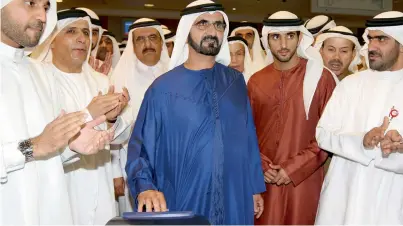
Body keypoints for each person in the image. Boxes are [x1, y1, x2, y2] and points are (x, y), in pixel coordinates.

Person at [125, 0, 265, 224]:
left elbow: (248, 137)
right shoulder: (163, 89)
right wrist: (145, 187)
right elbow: (141, 147)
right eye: (202, 24)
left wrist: (254, 187)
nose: (212, 31)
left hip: (234, 195)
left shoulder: (235, 81)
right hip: (186, 195)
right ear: (186, 30)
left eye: (219, 25)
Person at [1, 1, 111, 224]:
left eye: (45, 7)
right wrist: (31, 147)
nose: (42, 16)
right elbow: (36, 148)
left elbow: (46, 156)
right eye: (31, 3)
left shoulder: (40, 73)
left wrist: (70, 147)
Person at [30, 9, 131, 225]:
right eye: (71, 31)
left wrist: (113, 119)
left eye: (86, 33)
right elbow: (39, 141)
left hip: (101, 186)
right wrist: (89, 113)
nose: (81, 39)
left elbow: (121, 140)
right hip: (63, 186)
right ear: (52, 41)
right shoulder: (38, 80)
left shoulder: (103, 81)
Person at [248, 11, 337, 225]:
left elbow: (330, 135)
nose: (284, 44)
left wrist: (293, 168)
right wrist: (261, 166)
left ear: (300, 38)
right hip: (264, 181)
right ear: (267, 40)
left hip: (305, 181)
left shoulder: (321, 79)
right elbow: (244, 133)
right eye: (276, 37)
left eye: (290, 35)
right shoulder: (255, 81)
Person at [315, 11, 403, 224]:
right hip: (343, 194)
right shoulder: (351, 84)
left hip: (391, 196)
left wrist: (399, 147)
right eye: (370, 38)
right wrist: (361, 141)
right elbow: (323, 134)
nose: (372, 46)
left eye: (382, 39)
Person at [110, 18, 170, 215]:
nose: (147, 44)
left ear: (161, 42)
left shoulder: (175, 74)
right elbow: (112, 131)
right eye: (140, 40)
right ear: (132, 46)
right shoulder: (119, 78)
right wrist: (116, 172)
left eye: (153, 38)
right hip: (133, 165)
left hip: (172, 163)